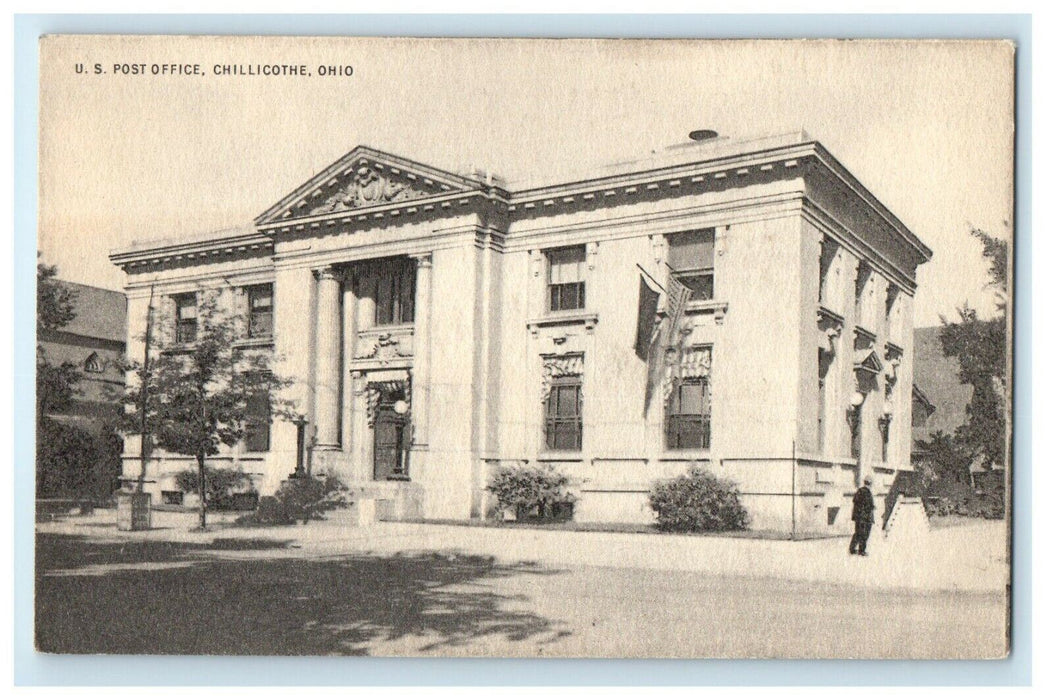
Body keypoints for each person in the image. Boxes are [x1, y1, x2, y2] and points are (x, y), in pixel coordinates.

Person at [849, 475, 876, 556]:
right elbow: (868, 505)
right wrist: (872, 507)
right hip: (865, 518)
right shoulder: (867, 492)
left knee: (857, 533)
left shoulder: (859, 491)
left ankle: (852, 549)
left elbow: (855, 502)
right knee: (865, 535)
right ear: (870, 483)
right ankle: (861, 550)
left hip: (858, 517)